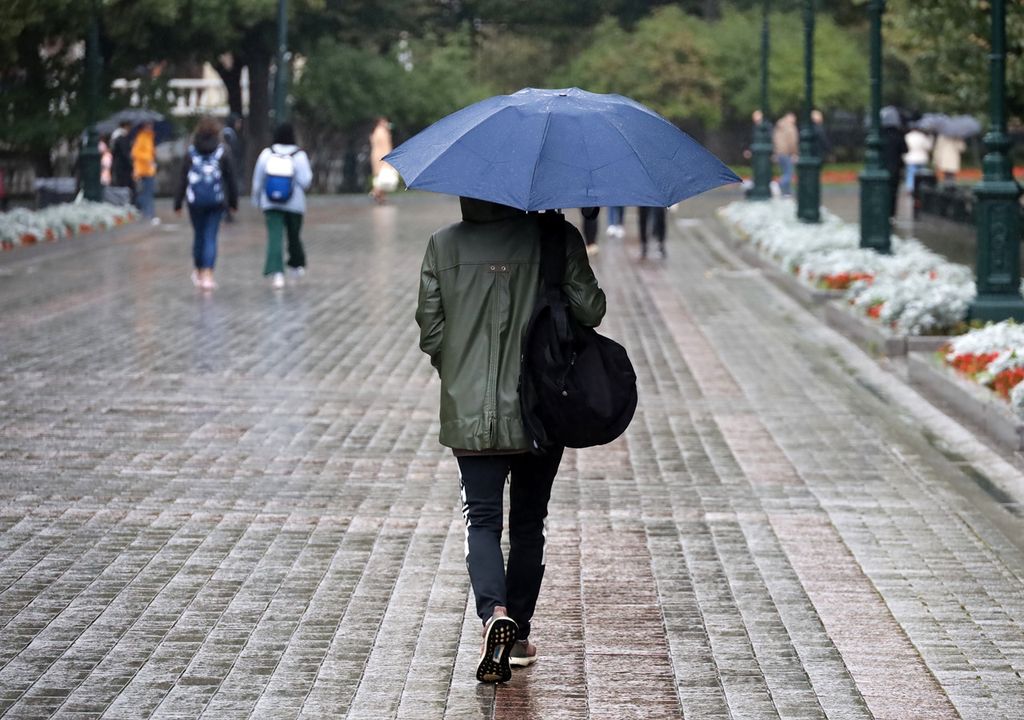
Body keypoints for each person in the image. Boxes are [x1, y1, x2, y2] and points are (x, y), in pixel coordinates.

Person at [416, 197, 605, 684]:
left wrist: (459, 373)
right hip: (540, 407)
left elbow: (431, 331)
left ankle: (493, 615)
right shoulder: (554, 238)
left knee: (480, 519)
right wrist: (567, 249)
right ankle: (517, 635)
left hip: (470, 410)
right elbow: (591, 309)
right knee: (527, 522)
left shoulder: (442, 245)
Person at [173, 116, 238, 291]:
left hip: (195, 201)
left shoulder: (191, 152)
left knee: (199, 235)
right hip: (216, 201)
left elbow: (182, 179)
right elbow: (231, 178)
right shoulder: (222, 151)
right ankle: (208, 274)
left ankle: (198, 270)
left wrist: (178, 203)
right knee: (210, 235)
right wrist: (233, 202)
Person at [251, 123, 313, 289]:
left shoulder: (267, 153)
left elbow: (258, 180)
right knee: (294, 235)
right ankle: (295, 264)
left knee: (274, 237)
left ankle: (276, 272)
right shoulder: (299, 155)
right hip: (295, 203)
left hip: (270, 202)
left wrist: (256, 199)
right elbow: (306, 181)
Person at [880, 107, 908, 219]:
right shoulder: (898, 134)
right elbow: (905, 149)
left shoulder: (880, 134)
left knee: (883, 191)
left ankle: (883, 211)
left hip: (882, 167)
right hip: (895, 167)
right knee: (893, 192)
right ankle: (891, 214)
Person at [132, 121, 158, 223]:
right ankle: (148, 214)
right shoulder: (142, 137)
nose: (150, 127)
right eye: (148, 125)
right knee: (146, 193)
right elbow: (135, 152)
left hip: (149, 169)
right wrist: (148, 158)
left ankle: (148, 213)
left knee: (148, 192)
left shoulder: (149, 137)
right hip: (143, 170)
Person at [221, 113, 245, 219]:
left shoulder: (228, 133)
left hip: (228, 166)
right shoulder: (228, 134)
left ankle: (228, 210)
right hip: (227, 167)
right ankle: (226, 211)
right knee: (228, 188)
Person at [369, 117, 398, 203]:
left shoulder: (375, 131)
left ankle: (380, 195)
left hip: (375, 155)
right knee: (384, 177)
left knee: (379, 176)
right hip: (383, 155)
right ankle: (376, 192)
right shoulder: (383, 132)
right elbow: (386, 146)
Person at [772, 112, 798, 197]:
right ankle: (778, 184)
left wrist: (775, 152)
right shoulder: (790, 127)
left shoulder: (778, 127)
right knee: (789, 173)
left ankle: (786, 192)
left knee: (784, 172)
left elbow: (774, 140)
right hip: (787, 152)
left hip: (779, 152)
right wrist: (794, 153)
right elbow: (793, 142)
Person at [903, 127, 933, 193]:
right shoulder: (922, 136)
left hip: (911, 158)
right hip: (921, 158)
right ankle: (921, 187)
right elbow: (928, 147)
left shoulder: (907, 136)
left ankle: (910, 188)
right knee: (921, 174)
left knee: (911, 174)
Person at [111, 120, 134, 197]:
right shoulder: (122, 138)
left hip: (118, 166)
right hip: (123, 168)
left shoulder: (115, 137)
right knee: (125, 186)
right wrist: (131, 165)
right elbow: (125, 153)